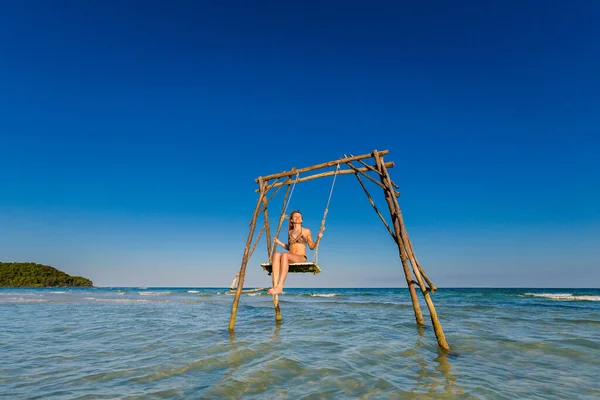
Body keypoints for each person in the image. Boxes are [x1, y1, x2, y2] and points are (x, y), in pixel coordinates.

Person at [268, 210, 323, 295]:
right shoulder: (290, 232)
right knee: (276, 255)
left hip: (301, 257)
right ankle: (275, 286)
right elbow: (289, 247)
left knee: (285, 255)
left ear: (302, 220)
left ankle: (280, 286)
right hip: (290, 257)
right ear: (291, 220)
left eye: (299, 216)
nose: (297, 217)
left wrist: (318, 239)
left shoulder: (306, 231)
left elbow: (311, 246)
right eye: (295, 216)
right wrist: (278, 242)